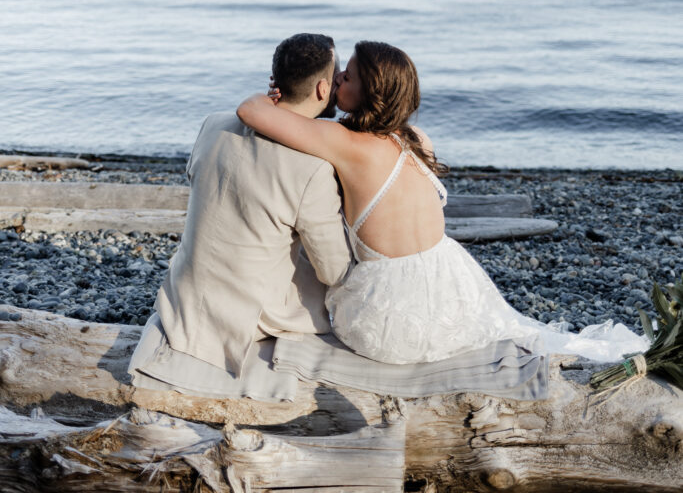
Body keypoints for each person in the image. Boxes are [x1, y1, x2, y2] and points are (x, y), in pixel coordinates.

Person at [237, 40, 647, 366]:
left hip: (388, 321)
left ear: (370, 92)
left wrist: (275, 93)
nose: (338, 79)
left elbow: (249, 110)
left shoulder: (346, 144)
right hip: (451, 289)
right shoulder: (418, 140)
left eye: (347, 76)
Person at [129, 33, 352, 393]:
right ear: (324, 88)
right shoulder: (313, 168)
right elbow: (334, 269)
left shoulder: (214, 125)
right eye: (338, 75)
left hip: (186, 293)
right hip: (248, 315)